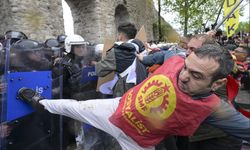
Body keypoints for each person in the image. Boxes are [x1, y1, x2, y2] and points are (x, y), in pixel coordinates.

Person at [17, 43, 250, 150]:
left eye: (197, 75)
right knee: (74, 106)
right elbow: (145, 59)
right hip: (115, 108)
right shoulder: (175, 59)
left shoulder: (214, 108)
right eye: (187, 67)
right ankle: (42, 103)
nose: (185, 76)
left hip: (137, 142)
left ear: (218, 82)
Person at [95, 22, 147, 97]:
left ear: (121, 35)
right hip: (142, 88)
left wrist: (98, 61)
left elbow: (99, 71)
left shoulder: (118, 51)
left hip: (126, 90)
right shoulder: (142, 48)